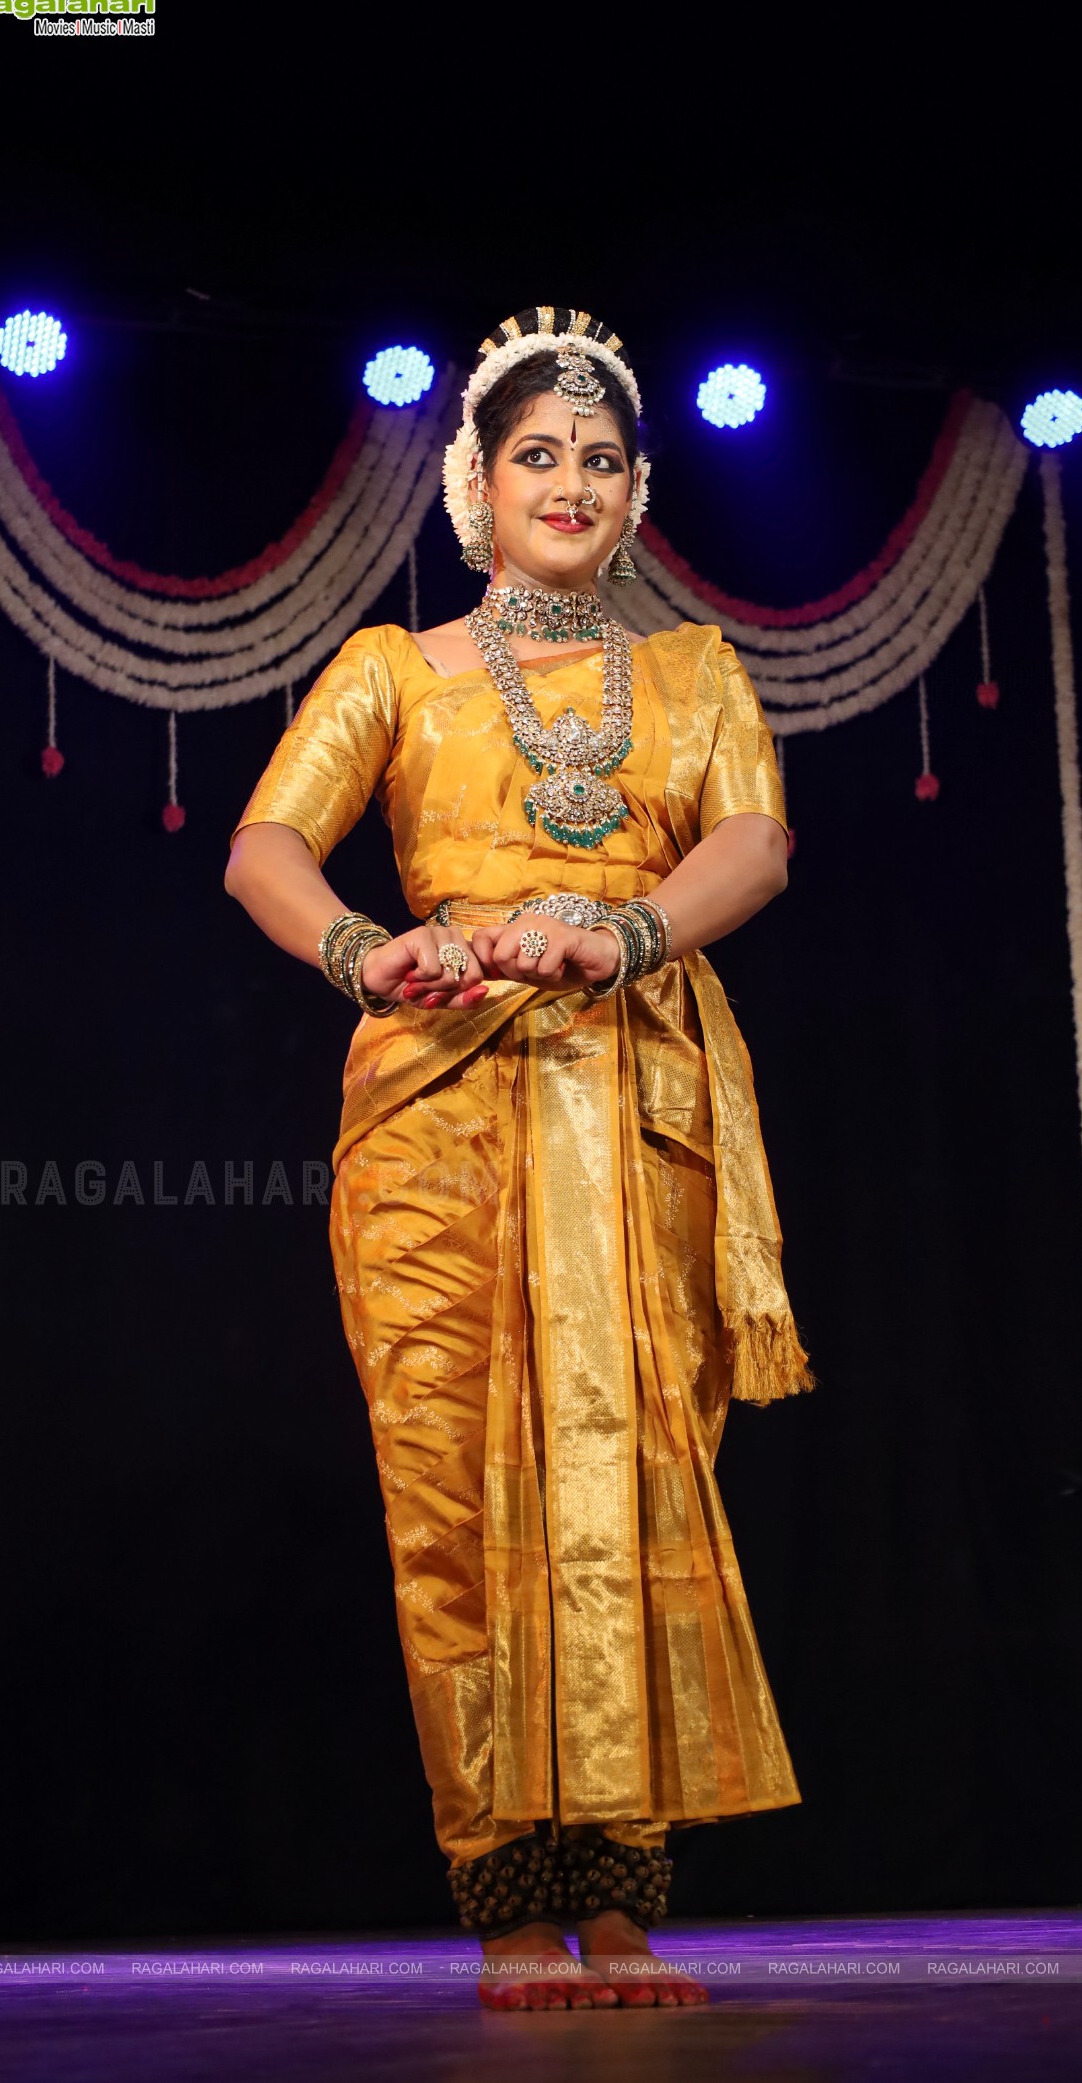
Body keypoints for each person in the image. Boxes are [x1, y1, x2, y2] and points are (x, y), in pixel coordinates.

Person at [225, 306, 813, 2012]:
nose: (571, 480)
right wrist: (362, 953)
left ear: (641, 495)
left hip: (636, 1106)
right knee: (455, 1510)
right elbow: (267, 844)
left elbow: (756, 845)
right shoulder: (392, 670)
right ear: (478, 487)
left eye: (604, 457)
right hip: (440, 1106)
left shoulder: (697, 671)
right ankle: (504, 1904)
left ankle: (620, 1904)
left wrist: (622, 939)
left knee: (624, 1496)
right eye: (537, 454)